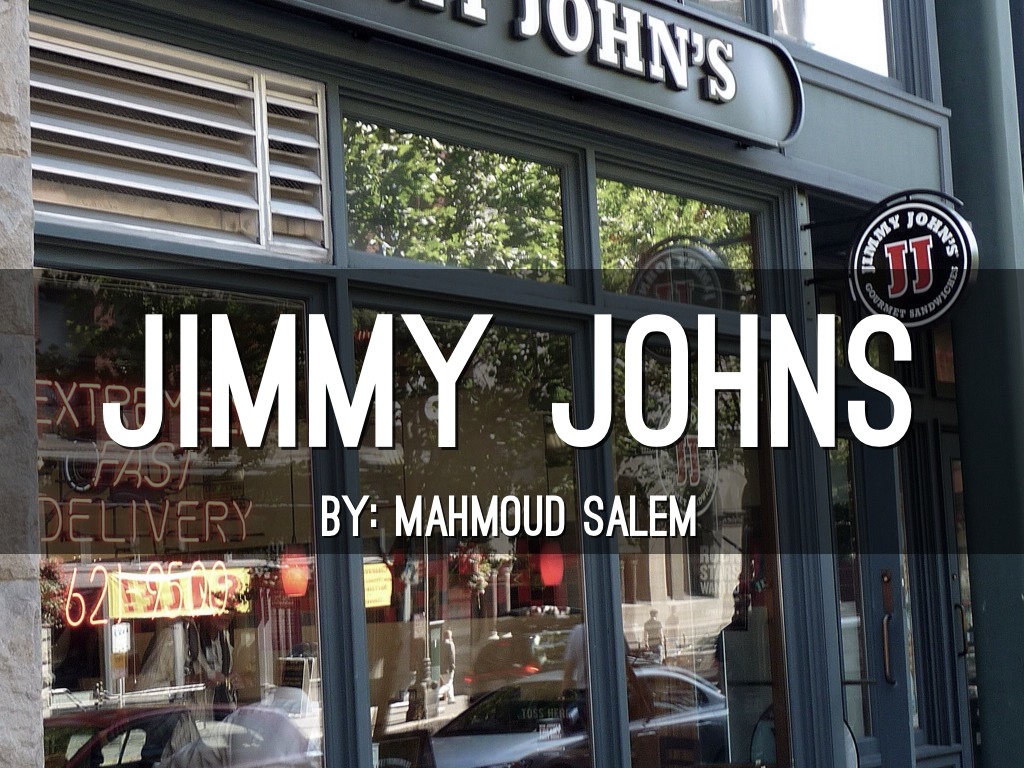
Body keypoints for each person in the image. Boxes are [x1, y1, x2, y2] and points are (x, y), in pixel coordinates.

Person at [196, 612, 235, 714]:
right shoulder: (183, 639)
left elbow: (227, 675)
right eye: (220, 608)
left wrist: (234, 680)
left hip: (223, 713)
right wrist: (199, 679)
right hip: (197, 715)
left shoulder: (225, 638)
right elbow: (157, 687)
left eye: (230, 609)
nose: (226, 614)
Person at [438, 629, 456, 702]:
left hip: (441, 668)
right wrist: (453, 665)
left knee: (449, 683)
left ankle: (451, 698)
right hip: (448, 668)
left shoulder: (440, 644)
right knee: (448, 684)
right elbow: (452, 656)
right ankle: (437, 693)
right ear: (449, 636)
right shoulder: (450, 644)